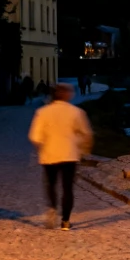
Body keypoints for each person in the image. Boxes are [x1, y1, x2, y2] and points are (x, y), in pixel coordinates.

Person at [28, 82, 93, 231]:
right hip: (69, 154)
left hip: (49, 155)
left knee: (51, 184)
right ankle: (65, 221)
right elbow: (86, 134)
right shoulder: (76, 112)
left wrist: (41, 147)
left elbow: (35, 136)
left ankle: (52, 208)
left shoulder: (42, 112)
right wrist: (83, 149)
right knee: (67, 188)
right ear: (67, 95)